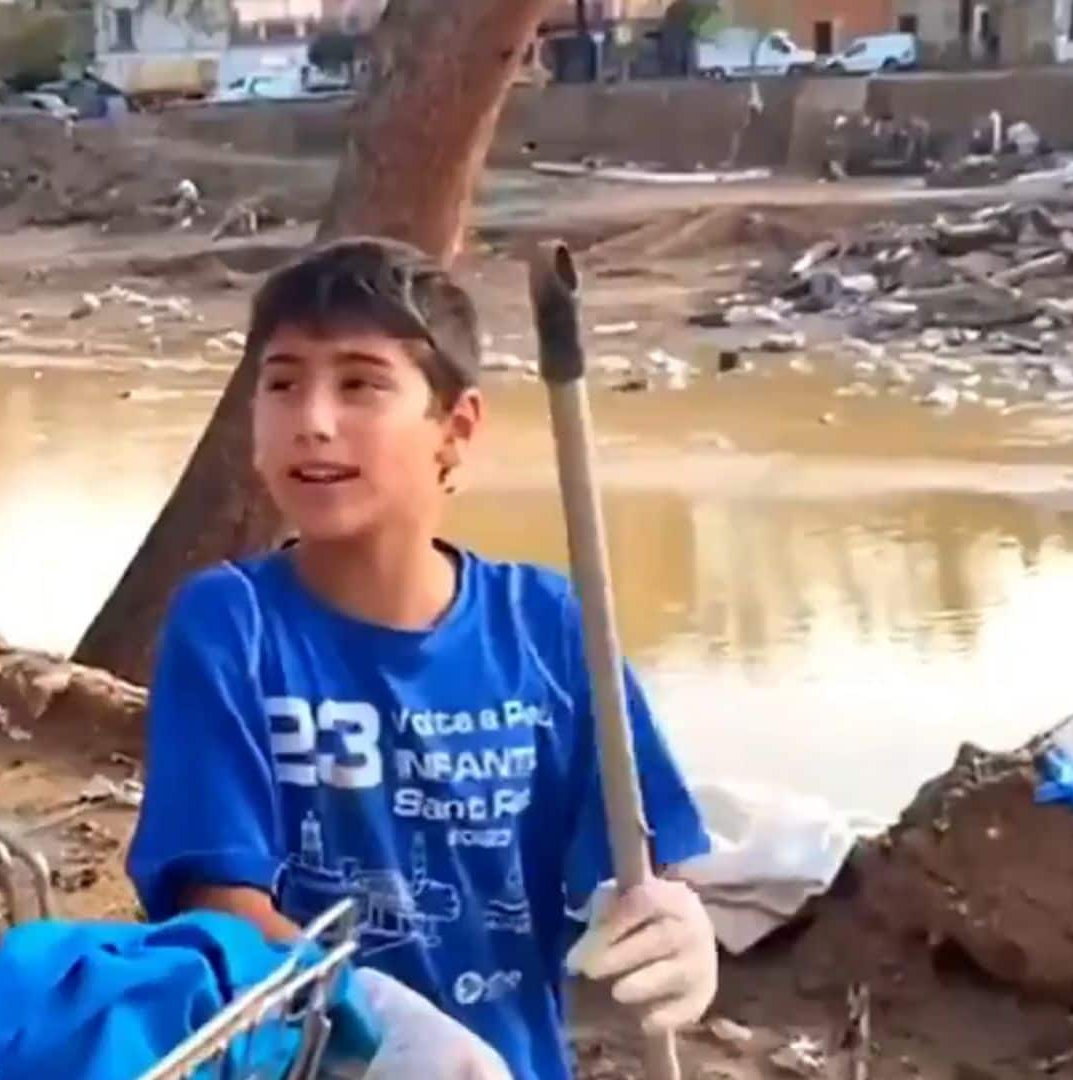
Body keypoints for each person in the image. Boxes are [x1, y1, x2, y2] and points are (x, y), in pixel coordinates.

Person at [126, 238, 719, 1079]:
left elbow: (634, 863)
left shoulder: (551, 623)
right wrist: (376, 1029)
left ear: (457, 426)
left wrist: (672, 923)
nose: (314, 419)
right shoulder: (233, 624)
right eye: (283, 382)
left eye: (361, 383)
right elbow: (214, 901)